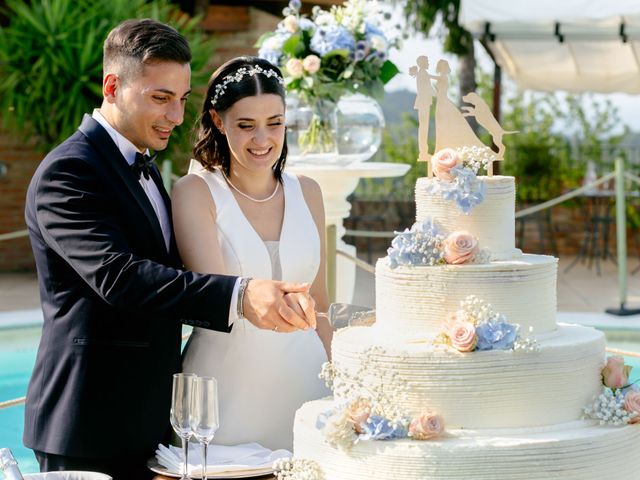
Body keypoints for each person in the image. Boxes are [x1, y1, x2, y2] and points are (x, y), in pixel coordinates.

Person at [23, 20, 315, 480]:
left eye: (181, 100)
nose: (176, 116)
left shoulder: (143, 165)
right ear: (112, 86)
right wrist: (240, 293)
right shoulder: (70, 171)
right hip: (90, 421)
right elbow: (119, 278)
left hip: (152, 417)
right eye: (160, 98)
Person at [172, 56, 333, 450]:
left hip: (307, 385)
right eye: (246, 125)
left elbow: (323, 302)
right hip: (224, 392)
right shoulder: (194, 194)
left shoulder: (308, 191)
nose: (262, 140)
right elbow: (215, 298)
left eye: (274, 123)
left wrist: (340, 380)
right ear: (217, 120)